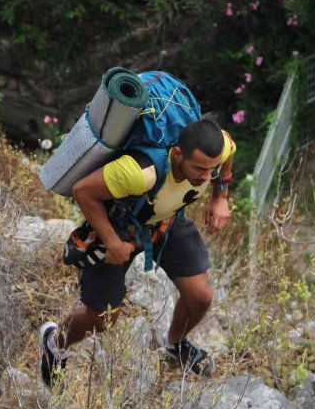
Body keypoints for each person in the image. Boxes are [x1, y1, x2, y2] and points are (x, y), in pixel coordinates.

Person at [39, 118, 235, 385]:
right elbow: (83, 191)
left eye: (210, 170)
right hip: (120, 226)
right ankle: (54, 342)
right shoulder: (139, 172)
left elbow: (227, 154)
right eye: (199, 168)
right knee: (102, 318)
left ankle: (174, 344)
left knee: (200, 297)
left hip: (167, 221)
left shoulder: (216, 151)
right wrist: (112, 242)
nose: (205, 176)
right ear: (177, 154)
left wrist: (219, 196)